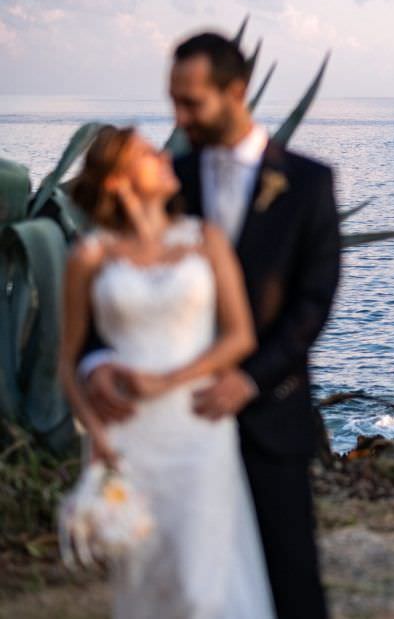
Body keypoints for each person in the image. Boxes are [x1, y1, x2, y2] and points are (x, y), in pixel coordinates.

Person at [79, 31, 340, 619]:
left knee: (289, 581)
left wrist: (248, 379)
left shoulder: (308, 184)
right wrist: (95, 363)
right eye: (173, 99)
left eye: (191, 102)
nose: (178, 116)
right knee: (182, 581)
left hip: (270, 411)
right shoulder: (167, 176)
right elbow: (116, 281)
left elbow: (311, 305)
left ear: (236, 91)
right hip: (173, 424)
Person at [59, 125, 276, 618]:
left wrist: (169, 381)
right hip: (127, 437)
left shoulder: (206, 241)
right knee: (147, 581)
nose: (162, 155)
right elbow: (68, 364)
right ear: (116, 181)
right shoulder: (89, 257)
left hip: (199, 424)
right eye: (144, 154)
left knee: (204, 584)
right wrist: (98, 438)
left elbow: (239, 336)